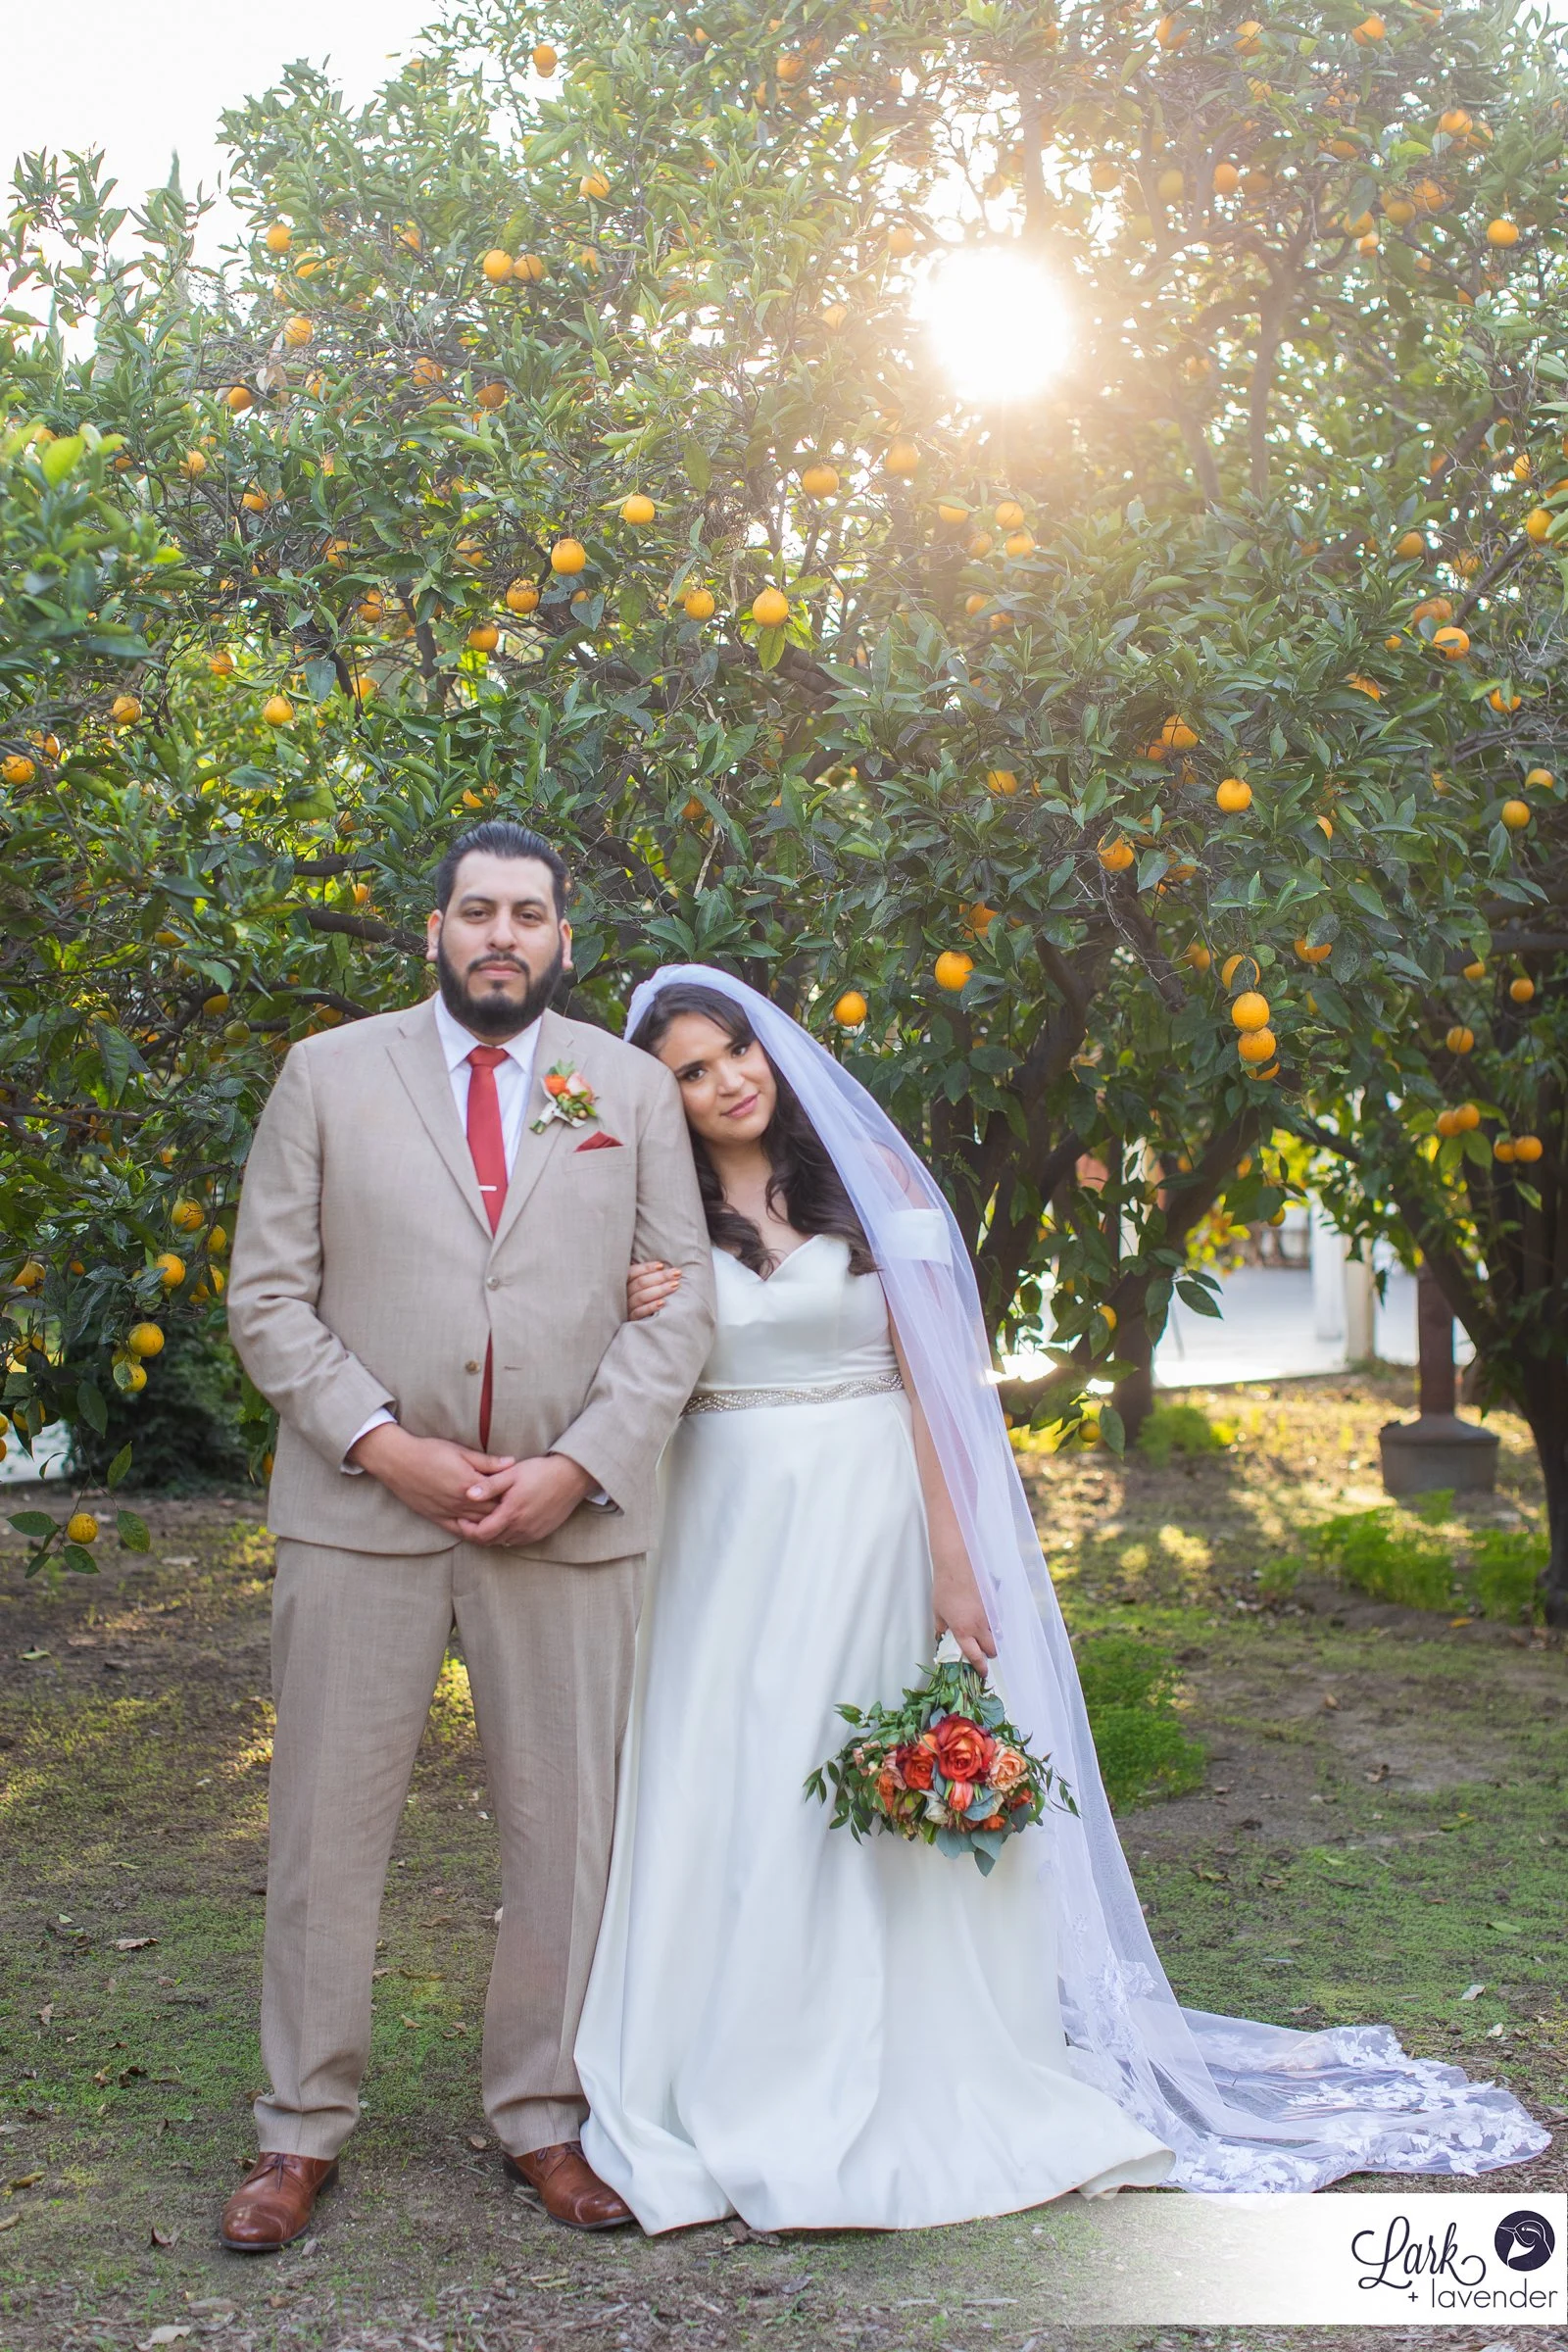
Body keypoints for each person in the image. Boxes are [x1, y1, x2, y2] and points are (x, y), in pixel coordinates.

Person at [575, 964, 1548, 2233]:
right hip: (721, 1533)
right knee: (733, 1776)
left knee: (863, 1770)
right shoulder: (652, 1219)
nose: (724, 1083)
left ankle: (900, 2039)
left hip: (869, 1521)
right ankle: (721, 2055)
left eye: (734, 1054)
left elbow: (932, 1386)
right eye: (691, 1073)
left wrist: (953, 1554)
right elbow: (597, 1360)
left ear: (771, 1053)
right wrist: (620, 1291)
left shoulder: (864, 1193)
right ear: (668, 1098)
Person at [222, 826, 716, 2251]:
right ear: (434, 927)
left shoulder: (626, 1088)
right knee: (325, 1825)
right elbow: (268, 1297)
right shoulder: (328, 1074)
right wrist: (383, 1442)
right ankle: (297, 2131)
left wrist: (580, 1465)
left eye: (532, 914)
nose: (504, 933)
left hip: (566, 1526)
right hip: (362, 1514)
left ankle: (547, 2117)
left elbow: (678, 1306)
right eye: (479, 910)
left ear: (565, 940)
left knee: (567, 1834)